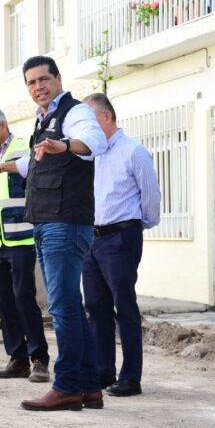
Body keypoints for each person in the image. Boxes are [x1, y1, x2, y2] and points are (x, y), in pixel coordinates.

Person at [0, 56, 107, 411]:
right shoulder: (43, 119)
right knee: (70, 306)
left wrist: (65, 145)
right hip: (45, 222)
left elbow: (94, 143)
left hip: (65, 220)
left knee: (61, 306)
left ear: (58, 78)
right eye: (31, 82)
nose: (37, 87)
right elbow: (33, 161)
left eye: (43, 79)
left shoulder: (75, 113)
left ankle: (67, 386)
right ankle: (89, 386)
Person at [81, 93, 161, 397]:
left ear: (106, 118)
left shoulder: (133, 151)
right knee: (96, 307)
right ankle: (103, 372)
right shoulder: (91, 155)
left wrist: (135, 228)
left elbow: (150, 196)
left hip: (121, 237)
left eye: (90, 122)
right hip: (92, 238)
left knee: (124, 306)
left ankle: (131, 377)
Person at [0, 106, 49, 382]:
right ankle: (17, 359)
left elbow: (37, 190)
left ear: (2, 125)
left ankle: (39, 360)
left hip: (22, 239)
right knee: (3, 302)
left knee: (24, 299)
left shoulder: (24, 148)